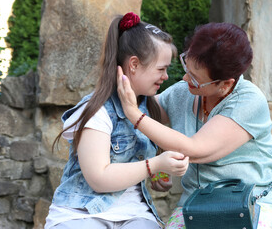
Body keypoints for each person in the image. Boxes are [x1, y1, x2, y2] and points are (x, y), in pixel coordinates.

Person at [117, 22, 272, 228]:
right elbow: (150, 122)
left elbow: (194, 149)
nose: (185, 78)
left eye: (195, 79)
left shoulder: (249, 102)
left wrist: (134, 114)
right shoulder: (183, 92)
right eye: (187, 66)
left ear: (226, 84)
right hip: (194, 207)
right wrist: (158, 164)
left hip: (249, 204)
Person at [44, 12, 189, 229]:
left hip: (135, 215)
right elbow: (99, 178)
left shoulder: (148, 108)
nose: (166, 76)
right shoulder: (97, 111)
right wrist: (154, 164)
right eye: (161, 69)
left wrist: (158, 175)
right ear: (133, 64)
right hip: (82, 213)